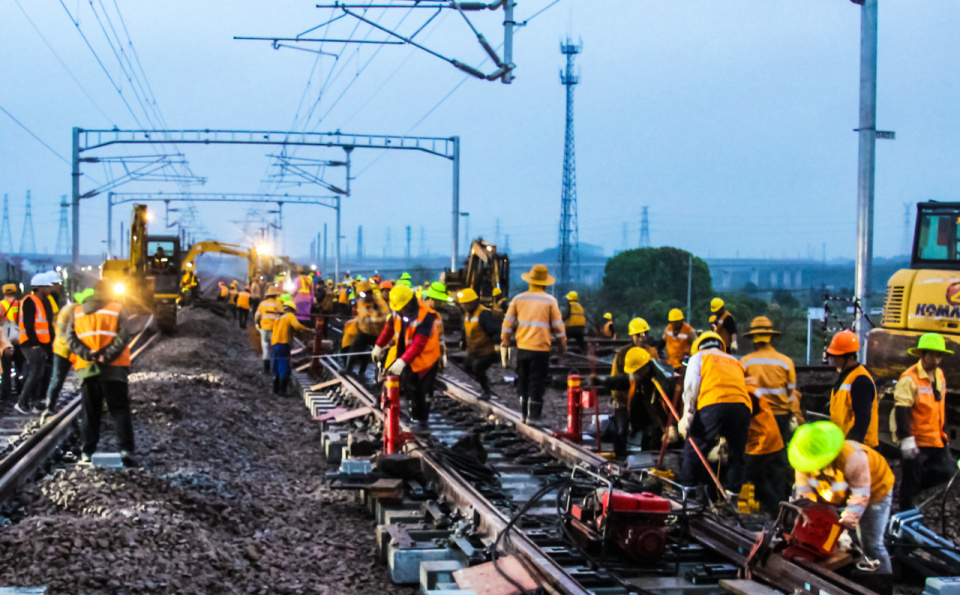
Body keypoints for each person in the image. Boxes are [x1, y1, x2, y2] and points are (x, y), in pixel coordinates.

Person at [790, 421, 894, 575]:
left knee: (871, 544)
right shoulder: (803, 461)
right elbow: (804, 498)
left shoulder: (854, 458)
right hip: (838, 494)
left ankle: (883, 579)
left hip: (875, 491)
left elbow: (860, 497)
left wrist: (843, 528)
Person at [66, 280, 136, 467]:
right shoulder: (117, 309)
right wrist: (107, 355)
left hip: (87, 369)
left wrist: (88, 354)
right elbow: (124, 336)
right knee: (119, 410)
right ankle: (126, 450)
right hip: (114, 369)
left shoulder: (78, 311)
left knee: (90, 412)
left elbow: (70, 339)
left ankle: (87, 451)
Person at [678, 331, 752, 497]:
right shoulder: (734, 361)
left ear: (699, 346)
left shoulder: (698, 357)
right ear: (721, 346)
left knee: (695, 445)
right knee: (736, 452)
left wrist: (687, 416)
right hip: (741, 407)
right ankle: (732, 494)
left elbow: (691, 388)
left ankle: (688, 490)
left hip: (713, 403)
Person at [894, 332, 955, 510]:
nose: (936, 359)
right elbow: (901, 410)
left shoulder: (939, 374)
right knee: (910, 481)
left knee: (947, 471)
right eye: (932, 355)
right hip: (916, 440)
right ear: (922, 354)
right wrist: (906, 439)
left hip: (936, 438)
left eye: (939, 355)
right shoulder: (909, 378)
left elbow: (939, 405)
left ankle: (911, 492)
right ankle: (907, 514)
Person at [500, 264, 566, 424]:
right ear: (545, 283)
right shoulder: (550, 301)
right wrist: (562, 344)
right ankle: (534, 416)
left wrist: (505, 340)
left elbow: (507, 323)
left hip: (523, 348)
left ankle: (523, 414)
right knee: (537, 381)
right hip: (540, 349)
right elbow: (558, 327)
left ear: (530, 281)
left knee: (523, 379)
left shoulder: (518, 299)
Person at [373, 285, 442, 425]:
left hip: (426, 359)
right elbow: (388, 329)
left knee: (422, 391)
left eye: (402, 308)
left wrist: (402, 361)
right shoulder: (398, 311)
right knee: (402, 384)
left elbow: (419, 343)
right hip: (408, 356)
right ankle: (396, 411)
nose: (400, 311)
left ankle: (421, 421)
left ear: (410, 303)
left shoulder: (426, 316)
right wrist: (378, 346)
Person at [591, 347, 673, 458]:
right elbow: (623, 380)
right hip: (650, 420)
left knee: (656, 449)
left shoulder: (661, 382)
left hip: (662, 422)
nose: (633, 375)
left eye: (635, 372)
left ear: (643, 368)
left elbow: (669, 407)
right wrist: (602, 381)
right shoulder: (642, 375)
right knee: (647, 447)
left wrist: (670, 426)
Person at [740, 316, 802, 444]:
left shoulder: (745, 362)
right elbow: (791, 394)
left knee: (756, 451)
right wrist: (794, 415)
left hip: (757, 417)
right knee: (780, 451)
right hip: (781, 417)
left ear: (753, 340)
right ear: (771, 339)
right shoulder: (786, 362)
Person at [743, 376, 791, 515]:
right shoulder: (749, 389)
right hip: (768, 438)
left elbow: (741, 419)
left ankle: (777, 510)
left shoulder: (746, 393)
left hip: (761, 442)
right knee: (765, 476)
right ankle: (779, 509)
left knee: (749, 476)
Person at [44, 288, 94, 415]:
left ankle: (49, 406)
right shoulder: (78, 311)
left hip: (63, 347)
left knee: (57, 379)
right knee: (82, 377)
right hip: (69, 348)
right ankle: (50, 406)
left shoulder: (70, 308)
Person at [825, 330, 878, 447]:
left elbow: (862, 419)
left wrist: (853, 447)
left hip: (860, 447)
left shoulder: (860, 380)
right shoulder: (846, 375)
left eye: (836, 356)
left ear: (849, 357)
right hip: (845, 443)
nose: (832, 359)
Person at [16, 273, 54, 414]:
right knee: (35, 374)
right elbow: (29, 324)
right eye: (47, 287)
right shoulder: (30, 301)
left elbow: (46, 325)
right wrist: (35, 343)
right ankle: (21, 402)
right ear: (40, 288)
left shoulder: (43, 302)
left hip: (40, 344)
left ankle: (35, 403)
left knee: (39, 374)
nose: (50, 290)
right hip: (30, 344)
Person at [457, 288, 500, 400]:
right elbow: (466, 329)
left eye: (463, 304)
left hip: (488, 351)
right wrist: (463, 341)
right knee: (467, 365)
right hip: (475, 350)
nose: (462, 306)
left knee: (478, 368)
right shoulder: (468, 313)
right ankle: (484, 383)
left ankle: (486, 391)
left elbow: (495, 329)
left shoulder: (484, 314)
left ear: (471, 303)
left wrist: (497, 345)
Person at [271, 295, 314, 396]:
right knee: (284, 366)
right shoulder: (290, 315)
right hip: (283, 344)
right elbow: (297, 326)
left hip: (274, 345)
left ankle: (275, 389)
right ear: (292, 309)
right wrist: (308, 330)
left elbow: (287, 330)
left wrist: (295, 334)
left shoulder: (278, 318)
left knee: (276, 366)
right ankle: (283, 391)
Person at [345, 281, 390, 378]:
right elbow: (361, 315)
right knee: (355, 349)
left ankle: (379, 374)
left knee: (380, 355)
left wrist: (375, 319)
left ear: (370, 293)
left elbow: (386, 318)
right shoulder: (361, 302)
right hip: (364, 332)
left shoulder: (380, 303)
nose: (363, 298)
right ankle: (349, 369)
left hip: (378, 334)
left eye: (364, 295)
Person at [421, 281, 451, 370]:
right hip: (421, 359)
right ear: (432, 299)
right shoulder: (419, 313)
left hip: (433, 359)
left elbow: (440, 338)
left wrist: (443, 354)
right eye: (439, 301)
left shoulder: (437, 316)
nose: (441, 304)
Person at [0, 284, 22, 402]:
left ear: (4, 292)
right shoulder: (21, 305)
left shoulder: (1, 305)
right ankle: (20, 391)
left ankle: (6, 395)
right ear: (16, 292)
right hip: (19, 339)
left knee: (6, 369)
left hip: (5, 342)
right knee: (20, 367)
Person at [254, 286, 281, 375]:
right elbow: (282, 317)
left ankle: (266, 370)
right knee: (275, 348)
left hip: (264, 329)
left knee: (265, 348)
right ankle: (276, 369)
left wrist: (257, 324)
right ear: (275, 295)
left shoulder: (262, 304)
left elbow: (257, 316)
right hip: (275, 330)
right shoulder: (278, 304)